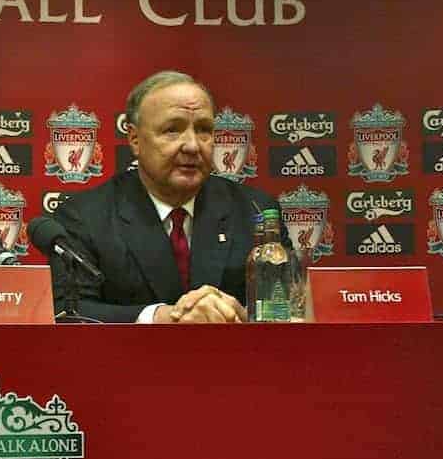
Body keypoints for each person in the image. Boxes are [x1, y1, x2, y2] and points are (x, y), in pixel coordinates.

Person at [41, 70, 286, 324]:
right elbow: (68, 311)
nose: (192, 145)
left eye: (203, 130)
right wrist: (162, 317)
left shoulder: (255, 210)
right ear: (135, 139)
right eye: (172, 130)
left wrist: (244, 317)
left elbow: (290, 304)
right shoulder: (85, 217)